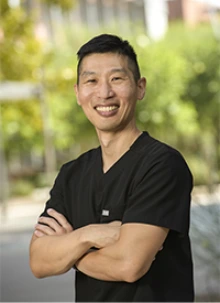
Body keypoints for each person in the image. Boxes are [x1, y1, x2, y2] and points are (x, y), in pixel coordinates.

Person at [29, 33, 194, 302]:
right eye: (91, 81)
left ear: (140, 87)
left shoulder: (162, 164)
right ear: (78, 93)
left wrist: (69, 253)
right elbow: (38, 261)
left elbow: (129, 265)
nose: (104, 92)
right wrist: (89, 235)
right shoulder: (71, 174)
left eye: (117, 79)